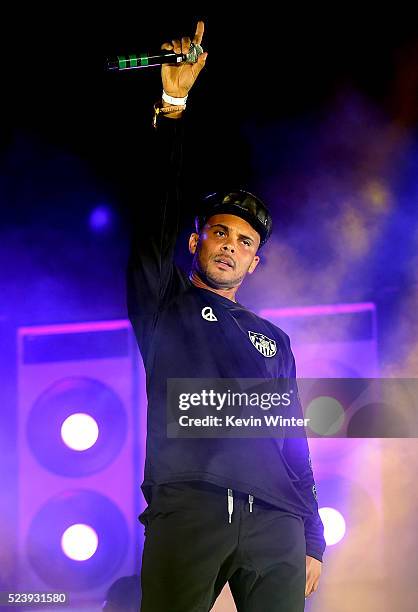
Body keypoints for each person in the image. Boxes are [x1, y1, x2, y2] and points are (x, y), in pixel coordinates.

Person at [126, 20, 325, 612]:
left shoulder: (274, 339)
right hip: (190, 508)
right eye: (219, 232)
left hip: (277, 525)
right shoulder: (166, 306)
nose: (230, 245)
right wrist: (173, 105)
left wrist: (311, 534)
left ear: (254, 261)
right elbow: (154, 221)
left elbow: (293, 438)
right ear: (197, 243)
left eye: (243, 240)